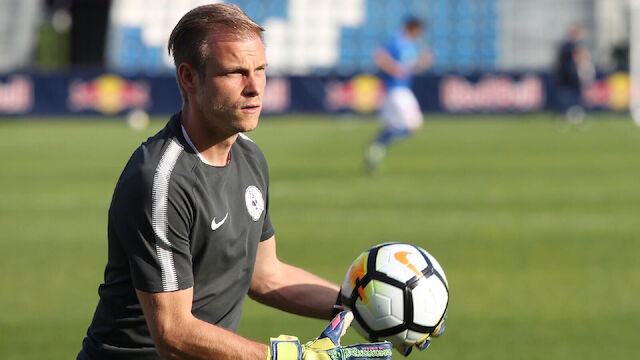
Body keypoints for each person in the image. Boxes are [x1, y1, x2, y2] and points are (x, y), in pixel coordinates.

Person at [75, 4, 399, 360]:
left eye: (260, 70)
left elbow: (266, 276)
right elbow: (173, 332)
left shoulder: (249, 157)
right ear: (189, 77)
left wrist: (364, 308)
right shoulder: (161, 180)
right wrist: (289, 356)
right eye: (235, 72)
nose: (255, 87)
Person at [364, 17, 433, 173]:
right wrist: (393, 69)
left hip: (396, 91)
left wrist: (422, 62)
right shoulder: (397, 40)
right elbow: (379, 56)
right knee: (414, 126)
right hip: (398, 91)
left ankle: (376, 148)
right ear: (413, 27)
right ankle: (379, 145)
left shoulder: (410, 45)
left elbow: (408, 69)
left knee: (392, 126)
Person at [553, 24, 595, 125]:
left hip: (573, 75)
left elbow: (583, 56)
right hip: (565, 75)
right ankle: (564, 116)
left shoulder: (575, 45)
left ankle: (576, 115)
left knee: (576, 96)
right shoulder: (567, 45)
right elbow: (578, 56)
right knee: (565, 97)